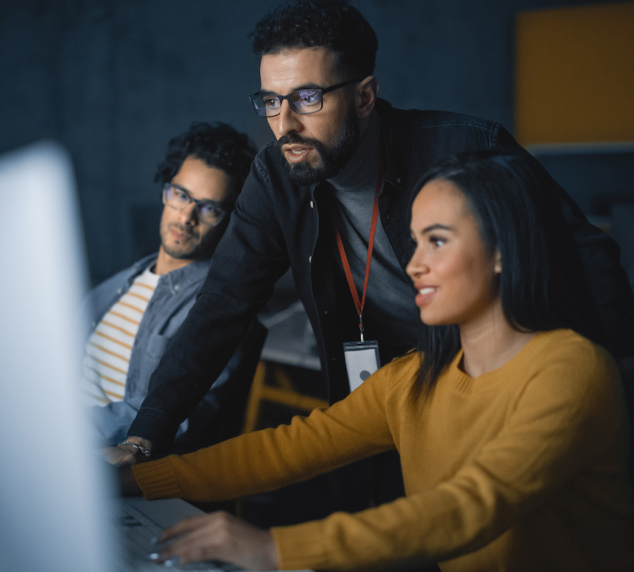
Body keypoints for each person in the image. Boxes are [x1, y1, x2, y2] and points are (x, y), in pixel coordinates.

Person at [111, 0, 634, 462]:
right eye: (271, 100)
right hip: (380, 400)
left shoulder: (467, 149)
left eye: (307, 97)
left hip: (493, 386)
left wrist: (603, 396)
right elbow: (221, 306)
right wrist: (143, 440)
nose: (284, 124)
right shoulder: (275, 175)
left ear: (364, 96)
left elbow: (589, 261)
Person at [122, 151, 634, 571]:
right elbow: (287, 449)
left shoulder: (573, 370)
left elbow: (472, 505)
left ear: (502, 251)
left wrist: (273, 549)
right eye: (413, 242)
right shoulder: (413, 378)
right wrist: (137, 479)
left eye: (437, 241)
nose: (413, 264)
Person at [81, 121, 263, 451]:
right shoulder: (115, 286)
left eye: (208, 208)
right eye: (181, 195)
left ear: (228, 219)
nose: (186, 217)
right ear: (166, 191)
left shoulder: (221, 313)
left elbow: (173, 416)